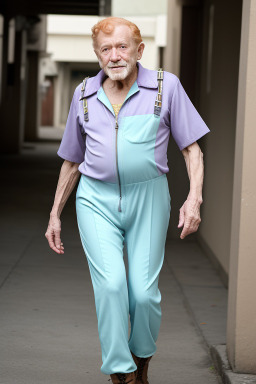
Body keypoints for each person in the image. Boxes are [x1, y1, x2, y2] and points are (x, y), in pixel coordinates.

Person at [45, 16, 210, 384]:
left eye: (122, 46)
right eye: (106, 49)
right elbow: (72, 159)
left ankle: (141, 357)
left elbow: (192, 150)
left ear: (139, 50)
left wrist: (193, 199)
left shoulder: (166, 88)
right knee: (112, 286)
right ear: (97, 55)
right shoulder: (84, 93)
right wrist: (55, 214)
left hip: (148, 196)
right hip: (95, 199)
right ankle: (122, 373)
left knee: (144, 293)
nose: (114, 55)